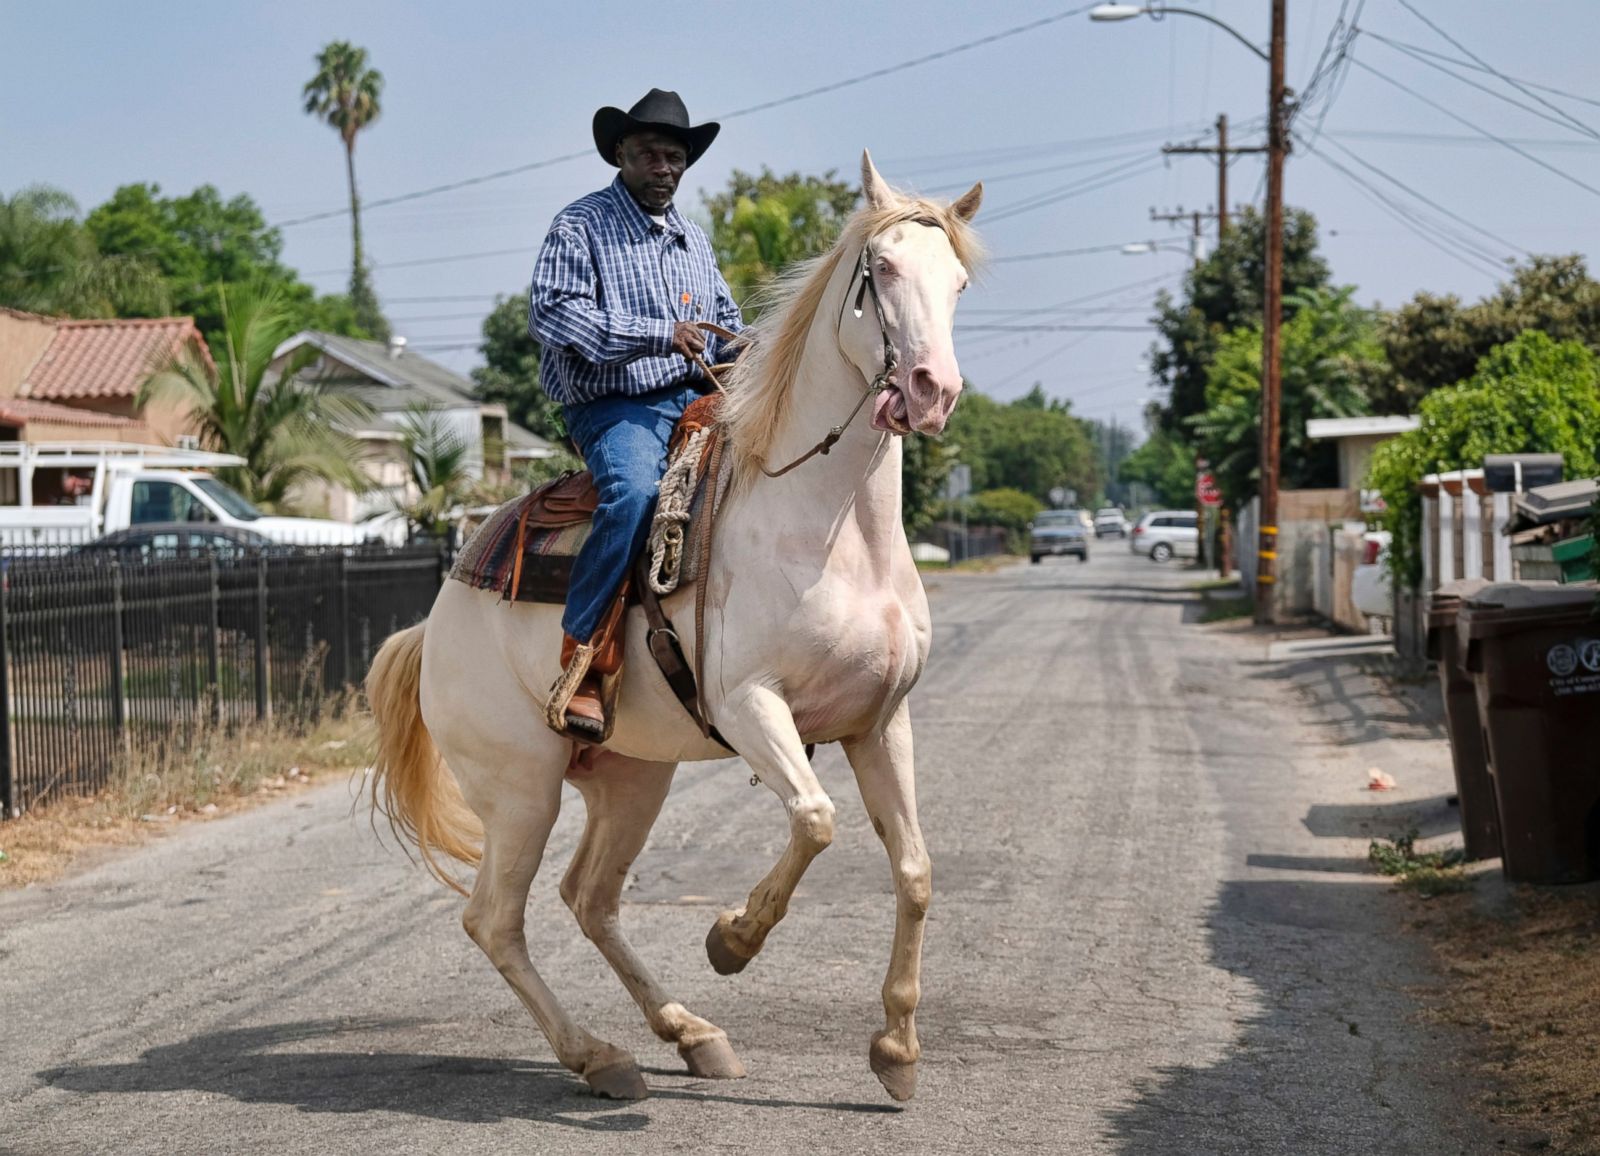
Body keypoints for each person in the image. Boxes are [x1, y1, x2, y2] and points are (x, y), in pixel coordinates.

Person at [529, 88, 745, 741]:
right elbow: (554, 314)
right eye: (650, 153)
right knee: (634, 495)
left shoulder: (693, 241)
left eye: (675, 156)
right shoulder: (580, 226)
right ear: (620, 154)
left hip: (697, 397)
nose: (665, 167)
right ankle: (583, 661)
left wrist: (757, 350)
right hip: (613, 402)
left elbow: (726, 324)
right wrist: (657, 333)